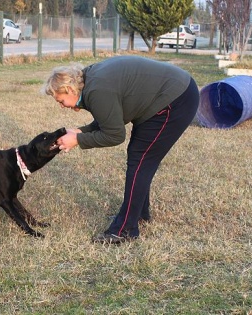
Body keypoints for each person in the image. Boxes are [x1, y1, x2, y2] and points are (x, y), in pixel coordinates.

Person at [42, 55, 199, 244]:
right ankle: (138, 214)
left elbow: (115, 134)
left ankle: (125, 229)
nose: (61, 106)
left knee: (141, 159)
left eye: (61, 100)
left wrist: (78, 140)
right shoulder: (88, 80)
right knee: (139, 158)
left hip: (175, 99)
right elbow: (109, 117)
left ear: (69, 89)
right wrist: (79, 131)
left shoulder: (97, 90)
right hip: (169, 93)